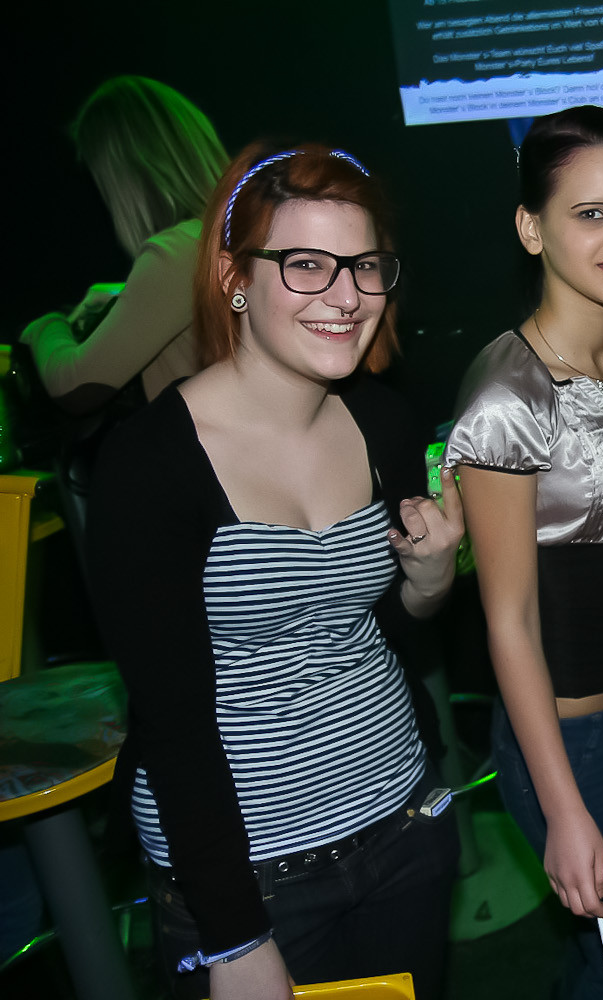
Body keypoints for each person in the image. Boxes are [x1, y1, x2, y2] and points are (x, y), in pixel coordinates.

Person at [85, 143, 463, 999]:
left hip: (402, 823)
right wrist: (234, 935)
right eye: (306, 265)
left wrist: (431, 579)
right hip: (250, 878)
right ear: (234, 278)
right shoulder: (150, 464)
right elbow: (173, 721)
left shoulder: (383, 421)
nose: (346, 296)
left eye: (364, 266)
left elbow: (388, 625)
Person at [444, 106, 603, 999]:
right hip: (572, 747)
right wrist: (563, 808)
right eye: (591, 213)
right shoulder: (509, 397)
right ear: (530, 228)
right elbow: (506, 622)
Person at [22, 76, 226, 412]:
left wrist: (44, 327)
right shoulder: (229, 240)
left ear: (125, 173)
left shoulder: (178, 252)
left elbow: (76, 386)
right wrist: (126, 294)